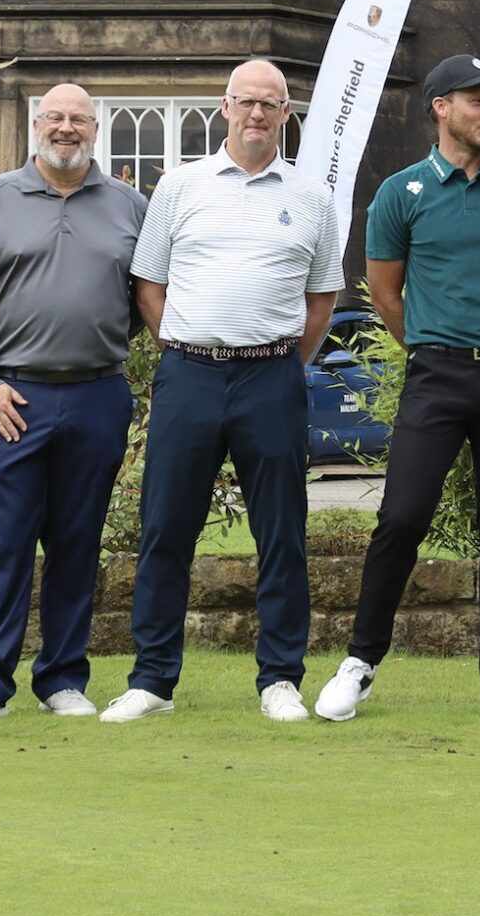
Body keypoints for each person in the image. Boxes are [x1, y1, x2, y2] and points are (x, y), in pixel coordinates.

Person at [106, 60, 344, 725]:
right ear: (225, 107)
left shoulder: (313, 196)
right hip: (189, 373)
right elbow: (148, 285)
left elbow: (321, 298)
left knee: (282, 531)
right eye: (247, 102)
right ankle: (152, 677)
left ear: (287, 115)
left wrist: (274, 358)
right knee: (165, 528)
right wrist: (188, 343)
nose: (258, 115)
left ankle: (280, 678)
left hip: (271, 376)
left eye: (272, 105)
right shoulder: (180, 186)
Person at [317, 55, 480, 724]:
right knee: (401, 517)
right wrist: (430, 340)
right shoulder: (400, 192)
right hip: (436, 373)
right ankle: (360, 662)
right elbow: (385, 293)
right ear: (439, 107)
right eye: (476, 99)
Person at [0, 85, 148, 725]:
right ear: (37, 125)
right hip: (11, 396)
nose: (67, 128)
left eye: (79, 119)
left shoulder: (131, 206)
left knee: (76, 540)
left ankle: (62, 676)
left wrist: (102, 341)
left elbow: (147, 297)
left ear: (96, 127)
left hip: (97, 392)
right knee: (2, 542)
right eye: (55, 118)